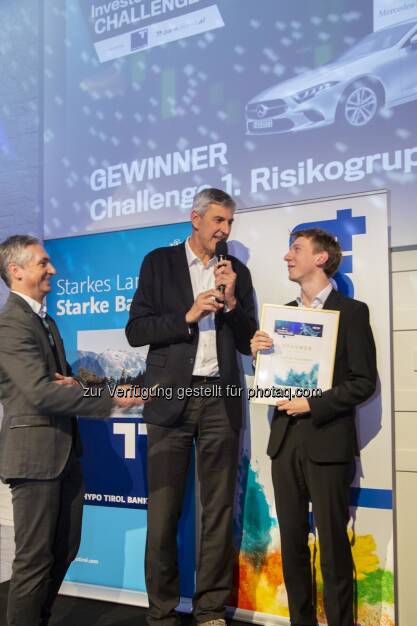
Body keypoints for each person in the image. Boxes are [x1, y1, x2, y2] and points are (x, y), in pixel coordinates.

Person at [126, 188, 257, 626]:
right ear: (195, 218)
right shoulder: (158, 263)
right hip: (169, 399)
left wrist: (233, 301)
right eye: (218, 220)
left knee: (217, 511)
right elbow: (136, 330)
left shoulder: (235, 271)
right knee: (163, 513)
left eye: (229, 223)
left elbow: (247, 339)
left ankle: (209, 610)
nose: (224, 229)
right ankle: (161, 612)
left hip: (220, 399)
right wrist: (188, 314)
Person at [0, 235, 143, 626]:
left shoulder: (45, 321)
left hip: (64, 452)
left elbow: (61, 382)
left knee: (65, 548)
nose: (53, 269)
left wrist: (105, 388)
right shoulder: (11, 323)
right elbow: (40, 393)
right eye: (43, 263)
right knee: (33, 560)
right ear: (17, 270)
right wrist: (112, 402)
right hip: (34, 458)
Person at [251, 228, 377, 626]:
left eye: (297, 249)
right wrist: (259, 357)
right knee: (291, 545)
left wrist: (314, 403)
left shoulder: (352, 312)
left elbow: (363, 382)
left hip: (328, 443)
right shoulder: (280, 315)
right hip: (285, 444)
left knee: (335, 547)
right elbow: (271, 381)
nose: (288, 256)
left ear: (321, 258)